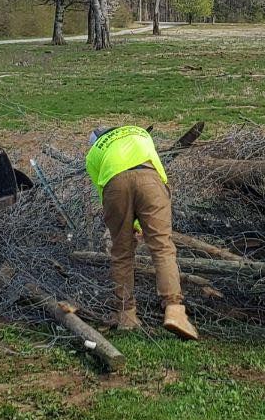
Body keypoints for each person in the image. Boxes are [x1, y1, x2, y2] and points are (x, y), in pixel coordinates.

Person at [85, 125, 198, 339]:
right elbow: (159, 170)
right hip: (150, 179)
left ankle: (126, 315)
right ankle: (174, 310)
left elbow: (103, 193)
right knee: (162, 247)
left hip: (114, 185)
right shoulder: (139, 132)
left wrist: (130, 228)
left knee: (122, 252)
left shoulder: (93, 154)